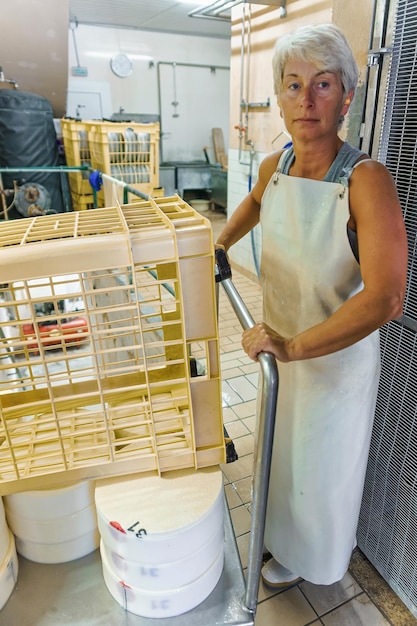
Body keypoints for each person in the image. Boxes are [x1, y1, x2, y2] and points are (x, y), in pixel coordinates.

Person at [216, 23, 408, 587]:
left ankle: (315, 562)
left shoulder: (366, 180)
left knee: (321, 475)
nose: (306, 99)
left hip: (332, 366)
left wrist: (295, 347)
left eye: (323, 84)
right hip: (281, 352)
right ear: (278, 97)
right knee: (281, 462)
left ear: (346, 96)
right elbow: (252, 204)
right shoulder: (274, 168)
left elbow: (387, 297)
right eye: (294, 84)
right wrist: (221, 242)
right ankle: (281, 545)